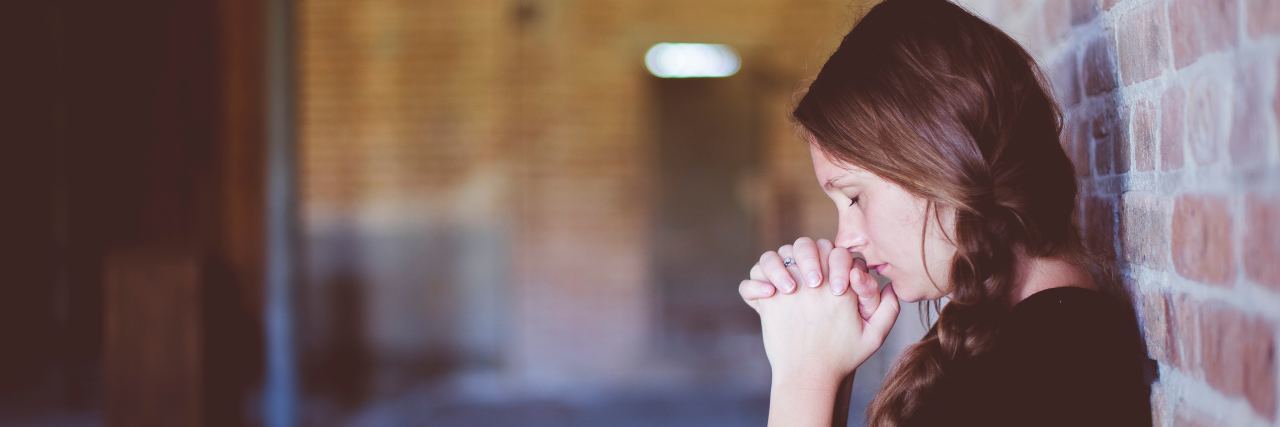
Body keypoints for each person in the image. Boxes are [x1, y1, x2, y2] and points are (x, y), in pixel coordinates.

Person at [736, 0, 1155, 425]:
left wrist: (804, 377)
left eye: (854, 197)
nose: (846, 240)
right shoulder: (1018, 346)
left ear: (941, 164)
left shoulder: (1052, 369)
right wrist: (831, 364)